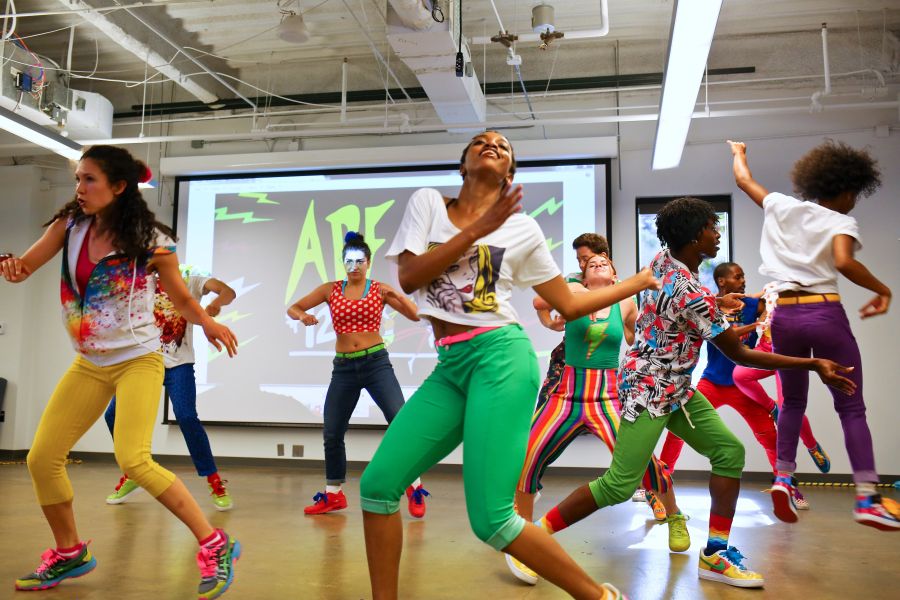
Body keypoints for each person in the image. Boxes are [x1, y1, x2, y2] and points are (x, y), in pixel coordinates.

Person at [358, 130, 661, 600]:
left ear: (510, 174)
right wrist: (478, 229)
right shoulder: (428, 204)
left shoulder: (523, 229)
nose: (492, 143)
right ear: (463, 166)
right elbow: (411, 274)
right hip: (451, 364)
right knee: (377, 487)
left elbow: (568, 303)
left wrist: (639, 281)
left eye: (503, 145)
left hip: (500, 357)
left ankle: (600, 597)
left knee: (492, 520)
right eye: (480, 141)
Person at [532, 196, 856, 589]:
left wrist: (716, 307)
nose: (716, 233)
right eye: (710, 227)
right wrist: (811, 363)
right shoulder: (690, 292)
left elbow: (678, 315)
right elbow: (739, 354)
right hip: (649, 391)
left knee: (728, 452)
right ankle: (533, 539)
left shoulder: (661, 265)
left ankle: (715, 555)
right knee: (618, 485)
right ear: (692, 236)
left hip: (676, 389)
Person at [1, 145, 241, 598]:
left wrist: (207, 321)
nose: (79, 188)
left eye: (89, 179)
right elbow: (26, 268)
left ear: (119, 186)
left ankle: (216, 542)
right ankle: (71, 553)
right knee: (42, 458)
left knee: (134, 459)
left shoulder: (149, 240)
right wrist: (11, 268)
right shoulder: (69, 225)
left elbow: (183, 299)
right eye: (77, 178)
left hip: (138, 360)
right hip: (89, 364)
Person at [728, 139, 899, 530]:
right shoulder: (841, 221)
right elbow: (843, 261)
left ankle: (784, 479)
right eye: (854, 193)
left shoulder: (781, 205)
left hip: (783, 317)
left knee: (791, 403)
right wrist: (883, 290)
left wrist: (739, 152)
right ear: (847, 189)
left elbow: (743, 180)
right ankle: (868, 498)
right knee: (851, 408)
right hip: (824, 313)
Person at [506, 254, 686, 586]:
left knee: (643, 458)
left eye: (605, 261)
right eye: (592, 264)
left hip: (608, 398)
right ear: (585, 278)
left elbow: (635, 336)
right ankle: (524, 539)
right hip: (565, 396)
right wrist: (550, 322)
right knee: (528, 456)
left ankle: (674, 516)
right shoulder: (572, 292)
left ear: (616, 274)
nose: (599, 264)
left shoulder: (626, 300)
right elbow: (537, 300)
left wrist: (641, 340)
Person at [658, 261, 830, 510]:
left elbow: (775, 300)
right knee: (679, 428)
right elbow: (724, 335)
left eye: (743, 276)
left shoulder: (751, 305)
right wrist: (754, 326)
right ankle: (658, 481)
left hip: (742, 386)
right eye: (738, 277)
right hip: (713, 381)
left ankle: (788, 486)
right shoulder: (708, 308)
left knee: (770, 436)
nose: (743, 280)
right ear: (722, 282)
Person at [287, 232, 428, 517]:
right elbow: (294, 307)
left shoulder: (379, 289)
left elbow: (415, 315)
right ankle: (333, 495)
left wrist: (395, 295)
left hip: (376, 364)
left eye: (359, 261)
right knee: (332, 431)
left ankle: (415, 486)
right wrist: (303, 316)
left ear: (368, 262)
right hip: (344, 368)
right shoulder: (330, 290)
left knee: (400, 422)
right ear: (343, 263)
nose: (353, 266)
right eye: (348, 261)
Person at [103, 266, 238, 511]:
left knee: (186, 416)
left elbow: (227, 291)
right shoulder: (140, 285)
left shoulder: (190, 280)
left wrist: (216, 304)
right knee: (112, 415)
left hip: (178, 365)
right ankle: (133, 472)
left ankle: (214, 481)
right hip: (143, 363)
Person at [731, 282, 832, 487]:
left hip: (789, 354)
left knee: (790, 408)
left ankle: (812, 446)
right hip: (766, 349)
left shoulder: (803, 291)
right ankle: (772, 407)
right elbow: (753, 297)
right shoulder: (771, 287)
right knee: (740, 374)